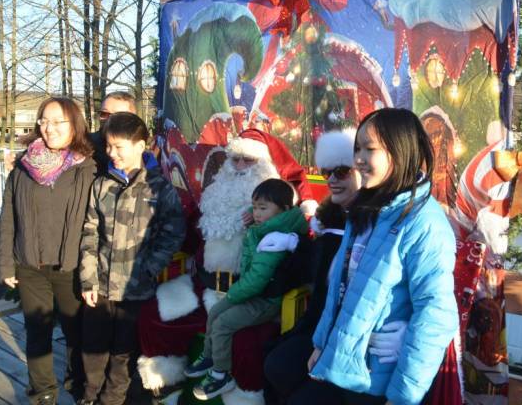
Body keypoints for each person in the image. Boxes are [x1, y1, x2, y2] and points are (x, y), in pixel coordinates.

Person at [136, 129, 317, 403]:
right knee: (153, 315)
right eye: (235, 160)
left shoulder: (275, 211)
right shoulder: (213, 197)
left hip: (249, 294)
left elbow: (300, 248)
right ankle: (167, 392)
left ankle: (240, 395)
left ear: (265, 164)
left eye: (249, 160)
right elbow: (188, 234)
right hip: (203, 285)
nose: (241, 166)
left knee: (244, 340)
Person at [306, 108, 459, 405]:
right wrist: (321, 343)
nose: (359, 159)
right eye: (357, 149)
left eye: (370, 149)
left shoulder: (424, 223)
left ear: (400, 152)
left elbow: (436, 313)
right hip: (346, 367)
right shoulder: (365, 209)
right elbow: (342, 286)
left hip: (381, 379)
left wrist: (403, 396)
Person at [262, 130, 407, 404]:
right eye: (326, 171)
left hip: (364, 342)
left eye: (341, 172)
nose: (331, 180)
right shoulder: (331, 221)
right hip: (323, 325)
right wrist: (294, 242)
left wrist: (406, 329)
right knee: (275, 363)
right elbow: (316, 276)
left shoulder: (387, 223)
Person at [78, 112, 185, 405]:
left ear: (141, 145)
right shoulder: (101, 185)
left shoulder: (160, 188)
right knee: (93, 352)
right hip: (99, 288)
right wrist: (88, 279)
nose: (111, 153)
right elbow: (89, 232)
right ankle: (88, 397)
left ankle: (111, 401)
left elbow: (173, 233)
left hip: (136, 289)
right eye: (109, 146)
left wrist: (150, 267)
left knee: (123, 355)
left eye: (119, 147)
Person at [0, 97, 97, 405]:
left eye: (57, 122)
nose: (48, 128)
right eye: (44, 121)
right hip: (30, 264)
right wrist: (5, 264)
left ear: (74, 125)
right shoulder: (23, 168)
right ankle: (42, 393)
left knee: (75, 332)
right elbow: (8, 218)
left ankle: (78, 383)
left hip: (70, 266)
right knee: (37, 333)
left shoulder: (88, 168)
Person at [184, 178, 309, 401]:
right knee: (215, 311)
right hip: (251, 292)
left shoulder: (273, 238)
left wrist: (233, 294)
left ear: (284, 209)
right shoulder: (263, 229)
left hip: (265, 301)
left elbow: (257, 280)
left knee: (222, 323)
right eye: (255, 207)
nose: (257, 213)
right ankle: (209, 356)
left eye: (263, 208)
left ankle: (221, 374)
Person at [90, 91, 138, 170]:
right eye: (104, 113)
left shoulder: (142, 157)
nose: (109, 119)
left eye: (118, 116)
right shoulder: (83, 147)